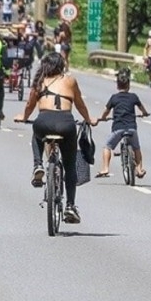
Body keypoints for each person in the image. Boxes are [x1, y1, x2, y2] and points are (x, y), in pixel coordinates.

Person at [14, 52, 97, 224]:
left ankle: (38, 165)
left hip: (43, 122)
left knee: (37, 134)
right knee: (70, 166)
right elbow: (80, 104)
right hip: (66, 124)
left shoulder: (39, 81)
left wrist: (23, 116)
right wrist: (89, 119)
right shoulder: (70, 81)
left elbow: (30, 105)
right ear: (61, 66)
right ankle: (70, 206)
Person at [96, 68, 150, 178]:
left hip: (118, 128)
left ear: (117, 86)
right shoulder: (133, 97)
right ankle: (139, 169)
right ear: (129, 85)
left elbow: (106, 111)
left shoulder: (114, 98)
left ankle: (105, 168)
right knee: (136, 148)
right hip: (131, 128)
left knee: (107, 146)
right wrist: (145, 113)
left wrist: (103, 118)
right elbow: (142, 108)